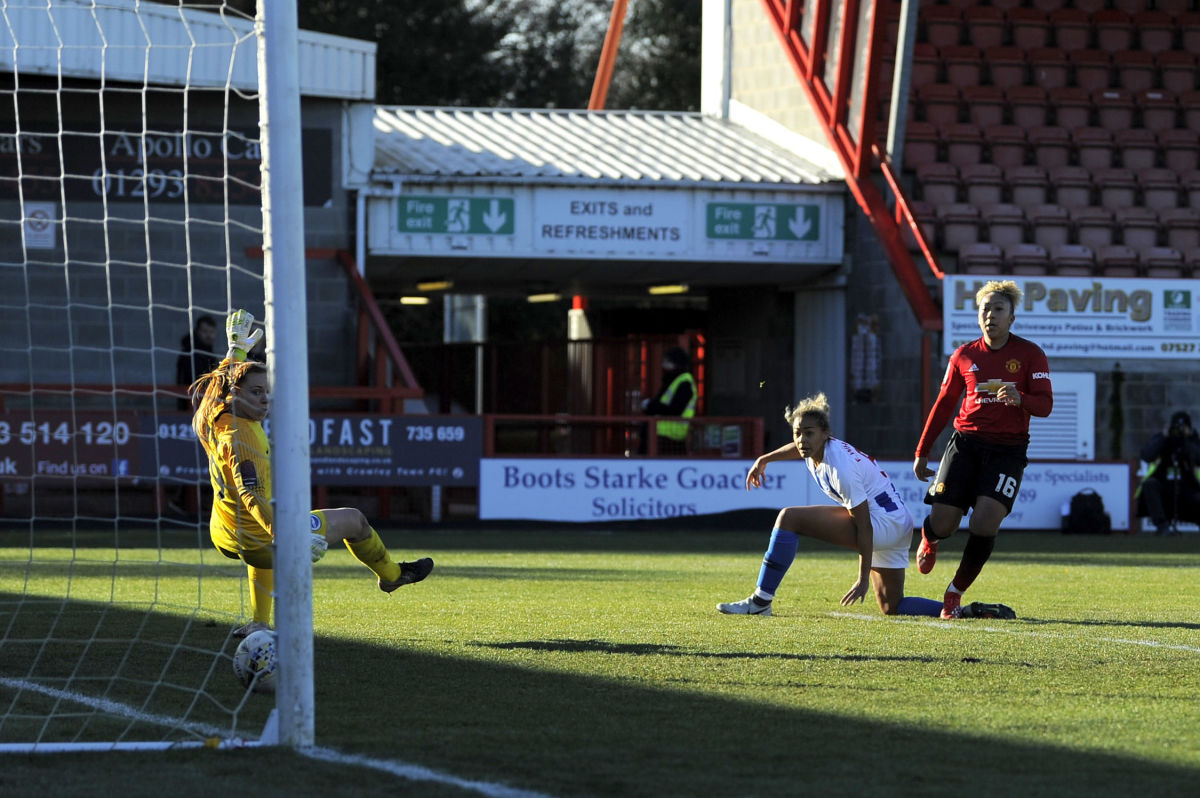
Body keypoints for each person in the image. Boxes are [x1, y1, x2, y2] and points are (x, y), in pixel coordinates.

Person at [190, 309, 434, 638]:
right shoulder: (242, 438)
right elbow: (251, 495)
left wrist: (235, 351)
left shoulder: (212, 411)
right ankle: (392, 576)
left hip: (224, 532)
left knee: (260, 544)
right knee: (355, 521)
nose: (265, 400)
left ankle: (259, 621)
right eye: (256, 392)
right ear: (236, 394)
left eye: (266, 391)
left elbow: (220, 381)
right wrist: (289, 537)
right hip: (264, 537)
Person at [716, 393, 1012, 619]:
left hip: (881, 524)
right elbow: (799, 448)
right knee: (892, 606)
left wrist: (862, 578)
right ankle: (962, 612)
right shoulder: (816, 448)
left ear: (825, 434)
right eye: (797, 432)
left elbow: (864, 525)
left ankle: (760, 601)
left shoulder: (840, 468)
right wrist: (764, 459)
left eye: (809, 433)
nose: (802, 439)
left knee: (789, 518)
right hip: (899, 524)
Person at [913, 279, 1052, 619]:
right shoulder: (964, 355)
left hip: (1008, 451)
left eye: (998, 309)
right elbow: (944, 404)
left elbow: (1046, 405)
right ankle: (930, 536)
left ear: (1012, 317)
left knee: (986, 522)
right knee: (944, 523)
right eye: (984, 309)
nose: (990, 315)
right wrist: (922, 451)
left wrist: (1022, 398)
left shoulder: (1031, 354)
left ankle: (954, 593)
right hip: (966, 445)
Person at [1135, 410, 1200, 535]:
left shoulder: (1193, 441)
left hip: (1188, 489)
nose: (1179, 431)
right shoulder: (1163, 439)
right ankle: (1162, 527)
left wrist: (1187, 440)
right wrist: (1163, 437)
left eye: (1182, 427)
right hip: (1165, 488)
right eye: (1176, 428)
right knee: (1149, 484)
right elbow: (1147, 456)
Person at [639, 346, 696, 455]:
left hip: (670, 435)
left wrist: (650, 405)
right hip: (663, 433)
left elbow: (675, 409)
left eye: (666, 362)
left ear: (675, 363)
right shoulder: (674, 380)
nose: (663, 365)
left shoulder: (684, 383)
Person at [176, 315, 220, 411]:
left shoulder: (209, 353)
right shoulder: (190, 353)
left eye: (211, 332)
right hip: (191, 404)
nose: (209, 335)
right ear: (197, 332)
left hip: (205, 402)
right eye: (205, 331)